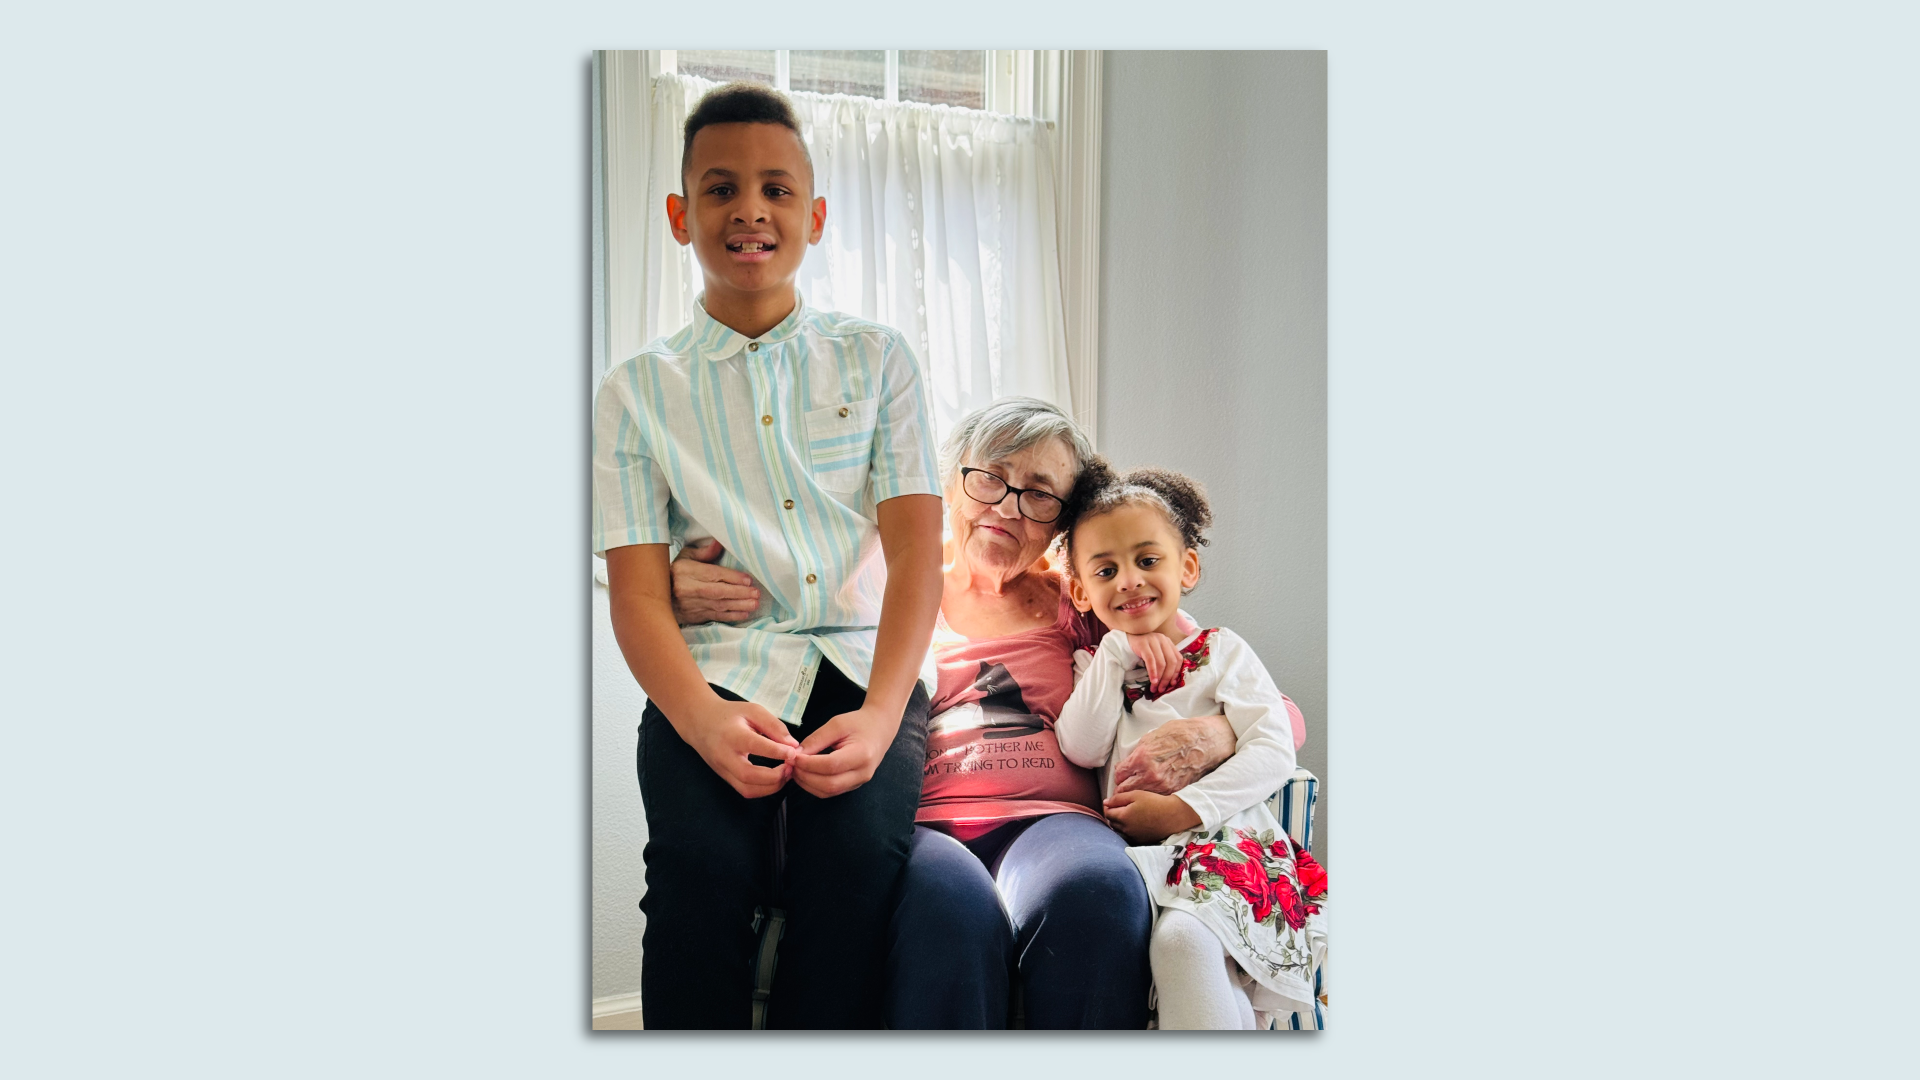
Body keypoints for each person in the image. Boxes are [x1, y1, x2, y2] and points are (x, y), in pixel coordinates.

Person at [591, 82, 944, 1029]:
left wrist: (876, 722)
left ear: (816, 215)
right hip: (711, 676)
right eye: (721, 189)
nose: (751, 209)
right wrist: (702, 723)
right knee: (697, 877)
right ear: (680, 216)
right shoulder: (633, 395)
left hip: (863, 670)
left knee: (857, 866)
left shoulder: (880, 360)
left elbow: (918, 557)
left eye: (778, 191)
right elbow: (634, 599)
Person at [1054, 464, 1328, 1029]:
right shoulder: (1094, 666)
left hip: (1226, 843)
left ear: (1188, 567)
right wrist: (1115, 652)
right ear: (1081, 591)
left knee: (1182, 945)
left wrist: (1183, 809)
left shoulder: (1222, 652)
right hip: (1143, 862)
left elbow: (1275, 747)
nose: (1128, 580)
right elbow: (1080, 748)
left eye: (1147, 561)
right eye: (1106, 570)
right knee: (1183, 964)